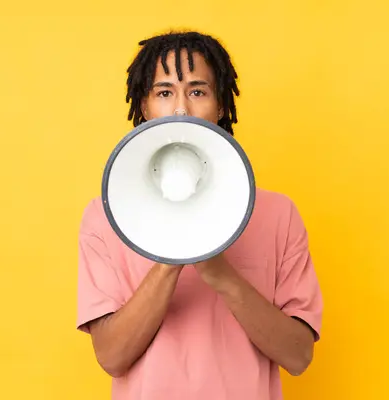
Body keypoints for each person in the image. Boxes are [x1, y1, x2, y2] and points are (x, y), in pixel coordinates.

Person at [77, 30, 323, 400]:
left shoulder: (278, 213)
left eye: (197, 91)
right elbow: (112, 356)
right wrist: (175, 251)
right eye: (164, 93)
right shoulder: (104, 216)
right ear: (144, 108)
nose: (180, 109)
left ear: (221, 105)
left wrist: (220, 273)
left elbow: (299, 356)